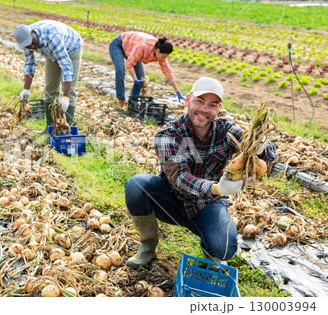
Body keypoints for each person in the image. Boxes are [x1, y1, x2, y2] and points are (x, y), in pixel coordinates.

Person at [124, 77, 277, 269]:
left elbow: (270, 153)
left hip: (207, 204)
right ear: (188, 100)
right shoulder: (168, 134)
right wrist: (217, 188)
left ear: (219, 108)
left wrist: (258, 145)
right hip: (171, 199)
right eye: (200, 101)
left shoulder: (227, 130)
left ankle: (211, 248)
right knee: (136, 185)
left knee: (225, 248)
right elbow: (180, 179)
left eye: (212, 105)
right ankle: (148, 246)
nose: (204, 109)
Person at [14, 20, 83, 133]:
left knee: (70, 91)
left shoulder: (52, 36)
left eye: (32, 42)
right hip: (50, 51)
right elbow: (29, 64)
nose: (32, 46)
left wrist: (65, 98)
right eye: (28, 46)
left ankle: (66, 131)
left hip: (72, 47)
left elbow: (66, 67)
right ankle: (50, 129)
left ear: (33, 32)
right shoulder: (26, 44)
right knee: (50, 88)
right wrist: (26, 89)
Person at [109, 31, 185, 110]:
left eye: (165, 57)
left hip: (132, 48)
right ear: (158, 51)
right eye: (163, 56)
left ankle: (132, 104)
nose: (163, 58)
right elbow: (129, 63)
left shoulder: (161, 54)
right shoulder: (144, 46)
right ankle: (121, 101)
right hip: (118, 45)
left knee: (142, 78)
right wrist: (135, 80)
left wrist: (178, 92)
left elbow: (168, 72)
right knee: (120, 70)